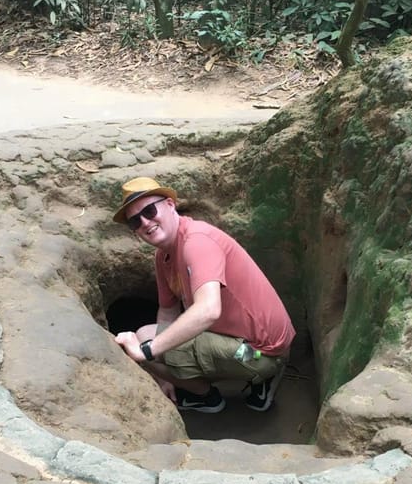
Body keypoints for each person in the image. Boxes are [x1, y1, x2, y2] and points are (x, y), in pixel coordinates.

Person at [113, 177, 295, 413]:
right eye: (135, 221)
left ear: (169, 204)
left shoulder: (197, 241)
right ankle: (204, 396)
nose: (145, 222)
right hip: (233, 338)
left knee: (143, 345)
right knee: (146, 336)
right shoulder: (163, 256)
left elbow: (208, 310)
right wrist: (165, 374)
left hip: (260, 352)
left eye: (149, 211)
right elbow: (168, 311)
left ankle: (259, 377)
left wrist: (149, 352)